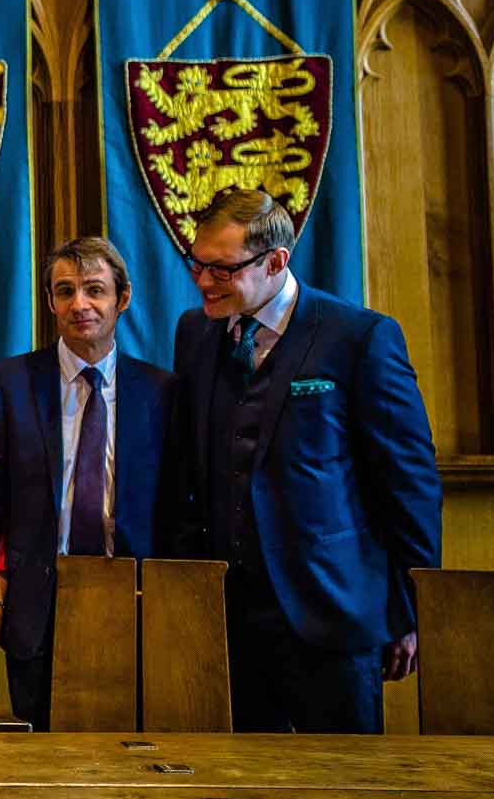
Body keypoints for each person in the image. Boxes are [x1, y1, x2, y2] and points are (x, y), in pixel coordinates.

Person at [169, 188, 441, 733]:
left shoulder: (359, 337)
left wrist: (413, 609)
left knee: (345, 796)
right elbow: (188, 471)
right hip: (229, 618)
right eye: (196, 263)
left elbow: (408, 482)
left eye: (221, 270)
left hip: (334, 612)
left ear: (276, 261)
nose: (202, 282)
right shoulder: (195, 333)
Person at [0, 235, 177, 732]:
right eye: (65, 291)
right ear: (50, 301)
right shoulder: (9, 383)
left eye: (94, 290)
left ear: (123, 298)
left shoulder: (162, 392)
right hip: (39, 609)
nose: (80, 305)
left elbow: (178, 510)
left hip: (137, 604)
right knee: (43, 766)